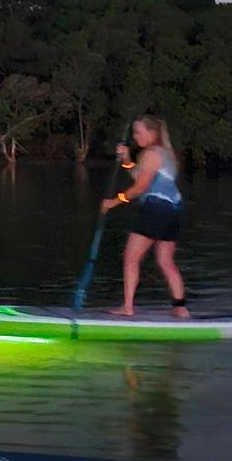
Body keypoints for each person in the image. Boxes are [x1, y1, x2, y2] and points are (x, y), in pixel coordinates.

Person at [100, 115, 188, 318]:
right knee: (166, 260)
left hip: (155, 210)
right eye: (134, 133)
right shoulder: (166, 154)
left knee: (130, 258)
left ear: (152, 133)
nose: (135, 136)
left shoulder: (151, 154)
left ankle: (128, 308)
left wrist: (114, 202)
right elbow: (136, 175)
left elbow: (140, 187)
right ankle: (180, 307)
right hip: (174, 211)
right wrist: (127, 159)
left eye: (139, 132)